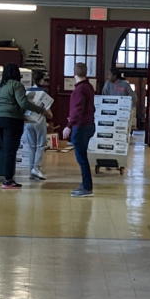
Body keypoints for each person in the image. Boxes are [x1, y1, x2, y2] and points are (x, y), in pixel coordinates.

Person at [0, 64, 50, 189]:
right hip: (10, 119)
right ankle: (8, 180)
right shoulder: (16, 85)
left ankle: (3, 175)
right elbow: (23, 103)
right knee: (11, 150)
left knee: (4, 149)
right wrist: (40, 110)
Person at [64, 62, 98, 198]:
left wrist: (69, 125)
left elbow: (78, 109)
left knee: (82, 158)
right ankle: (85, 184)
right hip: (89, 124)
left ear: (74, 73)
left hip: (81, 126)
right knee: (82, 157)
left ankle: (87, 187)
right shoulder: (89, 87)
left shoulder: (79, 90)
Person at [21, 70, 55, 181]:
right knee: (40, 145)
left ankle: (31, 169)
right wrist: (50, 115)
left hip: (28, 120)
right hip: (39, 120)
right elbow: (47, 110)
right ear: (41, 80)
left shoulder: (27, 91)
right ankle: (36, 168)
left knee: (31, 146)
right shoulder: (44, 92)